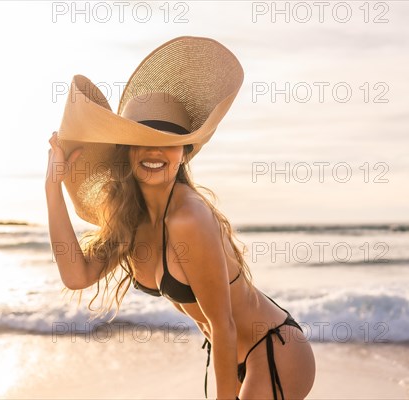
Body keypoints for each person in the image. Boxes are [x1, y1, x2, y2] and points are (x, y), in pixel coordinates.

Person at [45, 36, 315, 400]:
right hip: (225, 356)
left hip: (271, 351)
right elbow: (77, 276)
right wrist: (53, 188)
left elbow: (223, 324)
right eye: (142, 139)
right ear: (126, 152)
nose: (155, 150)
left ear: (184, 153)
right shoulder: (130, 219)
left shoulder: (189, 218)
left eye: (169, 141)